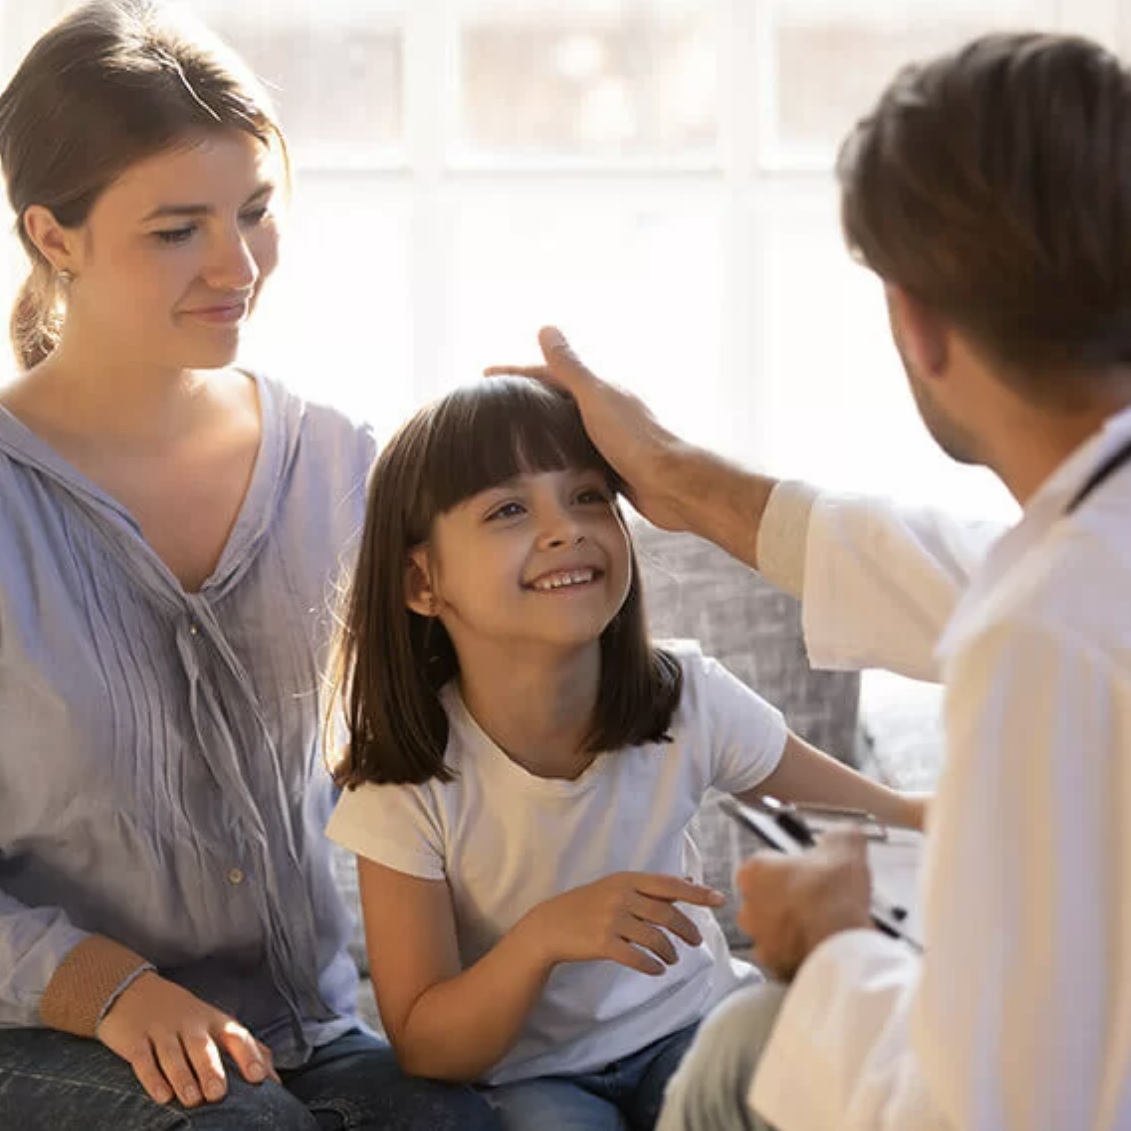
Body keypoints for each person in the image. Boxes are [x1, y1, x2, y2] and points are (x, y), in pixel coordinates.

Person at [490, 29, 1131, 1131]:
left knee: (746, 1044)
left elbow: (1003, 1111)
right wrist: (674, 478)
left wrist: (823, 949)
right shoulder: (1068, 571)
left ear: (913, 320)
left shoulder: (1047, 638)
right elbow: (953, 571)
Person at [0, 2, 500, 1128]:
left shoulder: (342, 468)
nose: (238, 265)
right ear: (53, 236)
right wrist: (110, 990)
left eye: (257, 212)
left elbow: (461, 734)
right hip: (44, 1035)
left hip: (304, 1027)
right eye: (178, 229)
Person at [322, 375, 926, 1131]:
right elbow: (425, 1042)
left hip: (697, 1025)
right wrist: (543, 937)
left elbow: (890, 818)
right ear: (422, 579)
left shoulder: (686, 695)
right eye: (509, 508)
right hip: (534, 1080)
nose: (564, 528)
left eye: (587, 496)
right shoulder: (403, 785)